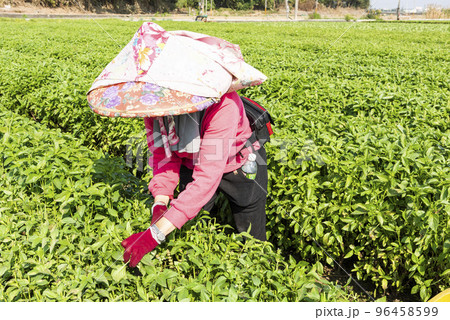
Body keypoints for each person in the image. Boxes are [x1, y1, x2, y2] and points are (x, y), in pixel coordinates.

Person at [86, 22, 268, 268]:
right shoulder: (154, 105)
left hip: (238, 161)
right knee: (200, 215)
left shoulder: (223, 106)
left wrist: (153, 235)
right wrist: (161, 201)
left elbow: (207, 176)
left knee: (248, 221)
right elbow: (163, 156)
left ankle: (253, 267)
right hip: (191, 161)